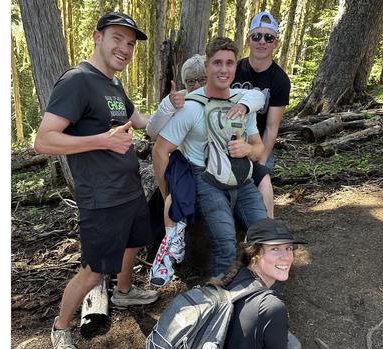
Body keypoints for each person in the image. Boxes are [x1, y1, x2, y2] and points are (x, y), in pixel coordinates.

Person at [33, 12, 158, 349]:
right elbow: (43, 141)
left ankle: (124, 292)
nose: (125, 48)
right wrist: (102, 140)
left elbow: (141, 120)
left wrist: (173, 107)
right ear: (97, 36)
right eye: (117, 38)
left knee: (135, 243)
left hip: (129, 190)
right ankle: (60, 328)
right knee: (93, 271)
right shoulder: (77, 80)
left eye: (130, 43)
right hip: (102, 198)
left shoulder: (114, 84)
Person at [152, 37, 268, 278]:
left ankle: (263, 299)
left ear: (236, 66)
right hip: (206, 180)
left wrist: (247, 150)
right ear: (207, 66)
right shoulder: (190, 107)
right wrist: (167, 193)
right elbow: (160, 150)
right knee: (226, 245)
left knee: (266, 237)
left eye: (229, 63)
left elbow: (260, 150)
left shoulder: (243, 104)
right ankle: (220, 303)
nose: (223, 69)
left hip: (242, 179)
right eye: (217, 63)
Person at [209, 217, 305, 349]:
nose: (287, 257)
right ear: (254, 254)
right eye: (275, 249)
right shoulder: (271, 307)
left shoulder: (230, 277)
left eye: (288, 248)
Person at [232, 11, 292, 219]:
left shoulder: (280, 80)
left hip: (258, 143)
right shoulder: (234, 69)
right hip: (229, 140)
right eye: (256, 36)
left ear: (275, 43)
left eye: (269, 37)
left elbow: (271, 127)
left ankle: (267, 232)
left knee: (261, 182)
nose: (262, 42)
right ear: (249, 39)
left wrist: (261, 162)